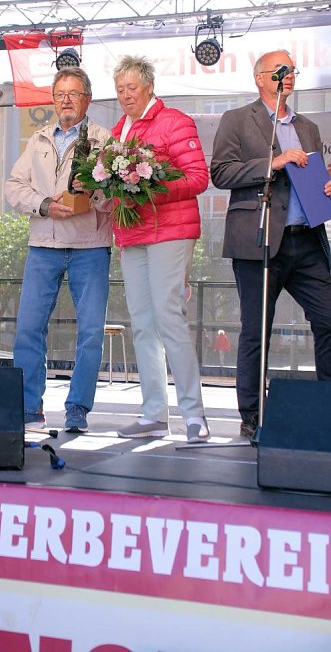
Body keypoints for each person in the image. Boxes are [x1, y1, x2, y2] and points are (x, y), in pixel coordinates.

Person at [210, 50, 331, 438]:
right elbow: (221, 172)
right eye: (281, 71)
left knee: (329, 319)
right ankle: (252, 415)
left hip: (308, 239)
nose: (288, 76)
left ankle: (326, 404)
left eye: (293, 70)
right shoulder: (237, 119)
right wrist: (272, 164)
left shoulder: (309, 127)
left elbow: (313, 175)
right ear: (260, 78)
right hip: (259, 239)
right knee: (256, 330)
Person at [5, 66, 112, 433]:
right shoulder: (36, 140)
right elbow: (13, 188)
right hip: (43, 245)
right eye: (61, 94)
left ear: (88, 99)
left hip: (91, 246)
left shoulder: (105, 140)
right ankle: (28, 409)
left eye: (74, 94)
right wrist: (43, 204)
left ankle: (78, 409)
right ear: (53, 99)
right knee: (29, 329)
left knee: (92, 331)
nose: (66, 101)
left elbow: (117, 199)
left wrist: (94, 191)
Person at [111, 55, 210, 444]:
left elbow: (198, 177)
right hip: (133, 234)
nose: (125, 96)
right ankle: (154, 414)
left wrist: (148, 187)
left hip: (171, 230)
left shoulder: (176, 121)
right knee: (142, 322)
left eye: (131, 88)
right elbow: (119, 182)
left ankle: (194, 414)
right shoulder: (120, 129)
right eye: (119, 90)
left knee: (169, 316)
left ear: (149, 86)